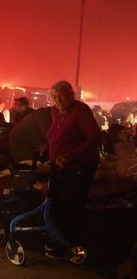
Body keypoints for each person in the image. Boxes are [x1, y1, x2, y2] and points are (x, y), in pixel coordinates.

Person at [44, 80, 101, 258]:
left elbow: (94, 139)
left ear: (70, 95)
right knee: (55, 202)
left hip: (79, 166)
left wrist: (71, 156)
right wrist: (49, 155)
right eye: (54, 97)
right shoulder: (54, 111)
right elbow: (56, 137)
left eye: (61, 96)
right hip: (59, 166)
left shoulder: (81, 110)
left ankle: (71, 244)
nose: (57, 100)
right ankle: (58, 237)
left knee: (70, 203)